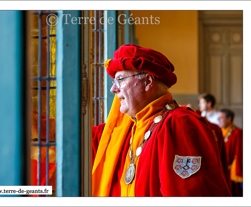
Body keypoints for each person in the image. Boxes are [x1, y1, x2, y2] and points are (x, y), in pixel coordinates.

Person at [92, 44, 231, 197]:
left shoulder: (179, 124)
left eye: (120, 79)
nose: (113, 89)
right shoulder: (128, 128)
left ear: (148, 82)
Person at [218, 108, 243, 196]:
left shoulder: (237, 133)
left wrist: (238, 174)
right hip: (221, 171)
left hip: (231, 172)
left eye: (221, 118)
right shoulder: (219, 132)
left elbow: (239, 155)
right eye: (218, 119)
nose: (218, 121)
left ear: (229, 119)